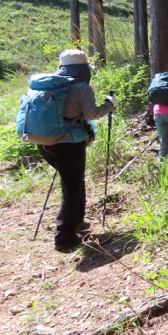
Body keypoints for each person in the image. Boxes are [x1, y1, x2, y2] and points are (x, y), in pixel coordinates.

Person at [36, 49, 116, 252]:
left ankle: (77, 223)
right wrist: (109, 105)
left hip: (44, 142)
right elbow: (91, 114)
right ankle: (65, 237)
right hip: (68, 144)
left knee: (72, 183)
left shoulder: (51, 85)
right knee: (72, 188)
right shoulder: (81, 87)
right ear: (83, 69)